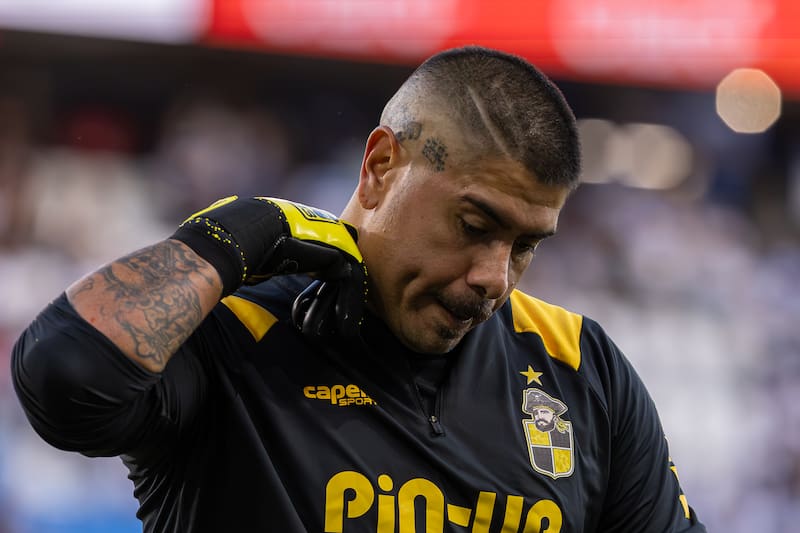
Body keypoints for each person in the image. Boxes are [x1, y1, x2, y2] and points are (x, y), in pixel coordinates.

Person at [10, 46, 706, 532]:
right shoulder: (235, 328)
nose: (494, 276)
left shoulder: (583, 369)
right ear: (380, 167)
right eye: (474, 225)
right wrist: (240, 232)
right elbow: (63, 377)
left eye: (525, 245)